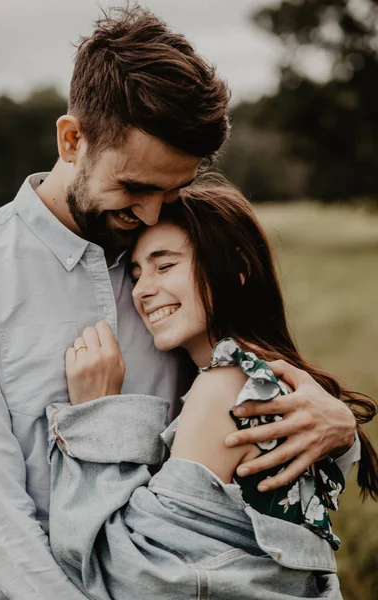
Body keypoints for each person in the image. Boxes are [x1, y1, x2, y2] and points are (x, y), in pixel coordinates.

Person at [0, 6, 359, 600]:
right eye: (134, 187)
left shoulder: (170, 259)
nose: (151, 214)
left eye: (172, 191)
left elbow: (246, 376)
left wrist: (340, 425)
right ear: (72, 139)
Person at [47, 182, 378, 600]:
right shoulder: (271, 380)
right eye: (136, 273)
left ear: (238, 269)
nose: (142, 290)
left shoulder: (223, 387)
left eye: (164, 266)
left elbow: (135, 579)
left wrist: (97, 417)